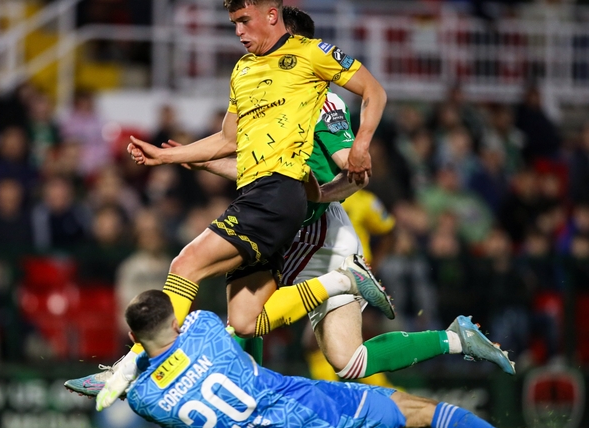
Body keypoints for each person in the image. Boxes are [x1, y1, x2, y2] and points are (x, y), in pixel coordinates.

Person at [66, 0, 393, 408]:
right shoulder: (242, 70)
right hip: (258, 193)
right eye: (233, 23)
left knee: (185, 264)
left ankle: (129, 369)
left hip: (277, 194)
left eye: (243, 21)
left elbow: (374, 91)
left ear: (271, 15)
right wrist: (168, 155)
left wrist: (361, 145)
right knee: (244, 321)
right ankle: (342, 282)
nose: (238, 31)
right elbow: (227, 140)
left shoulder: (311, 53)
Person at [173, 6, 514, 385]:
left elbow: (355, 175)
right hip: (288, 225)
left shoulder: (322, 104)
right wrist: (204, 162)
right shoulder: (265, 98)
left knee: (266, 325)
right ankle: (456, 339)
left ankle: (352, 288)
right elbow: (261, 172)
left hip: (319, 234)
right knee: (331, 355)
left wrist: (316, 196)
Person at [124, 290, 549, 428]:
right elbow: (242, 321)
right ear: (176, 322)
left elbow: (160, 378)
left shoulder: (144, 399)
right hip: (307, 414)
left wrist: (127, 372)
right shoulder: (204, 327)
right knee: (416, 409)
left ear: (132, 336)